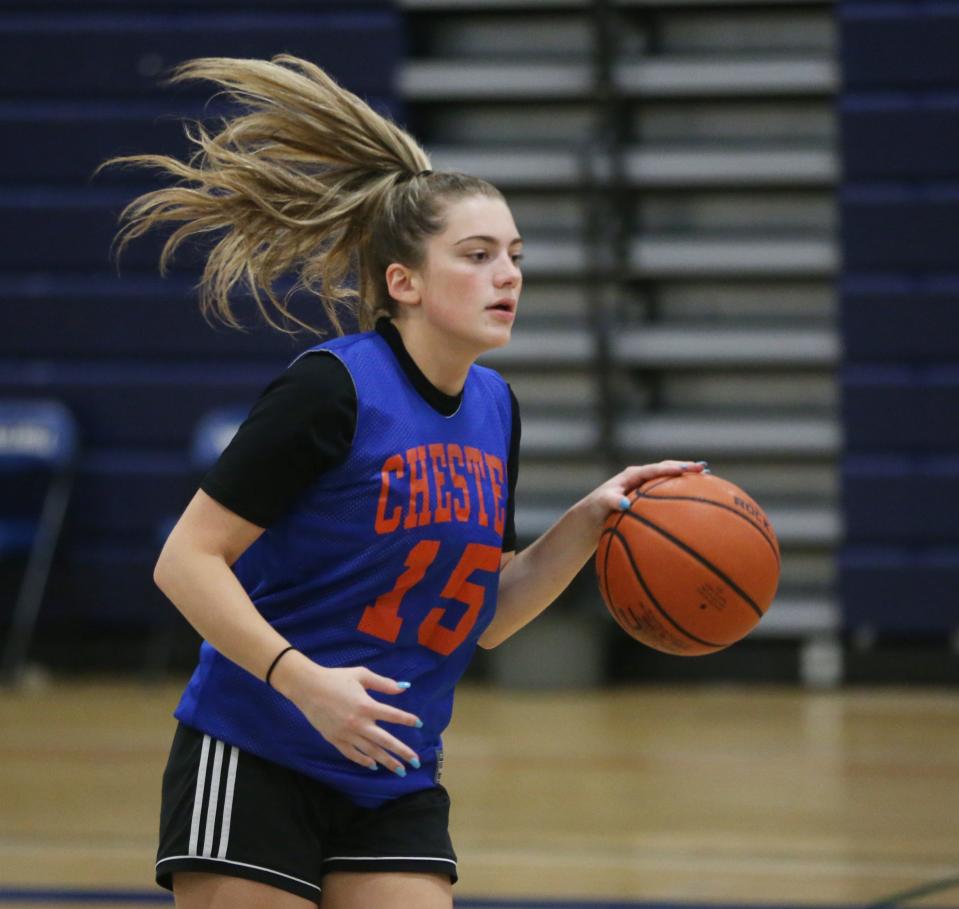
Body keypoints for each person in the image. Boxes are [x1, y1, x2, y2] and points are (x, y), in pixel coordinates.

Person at [102, 55, 704, 909]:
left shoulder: (496, 409)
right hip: (257, 749)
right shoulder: (330, 391)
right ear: (403, 282)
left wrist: (589, 521)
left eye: (516, 255)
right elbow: (186, 560)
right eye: (479, 253)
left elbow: (482, 614)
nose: (509, 275)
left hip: (391, 771)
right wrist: (306, 681)